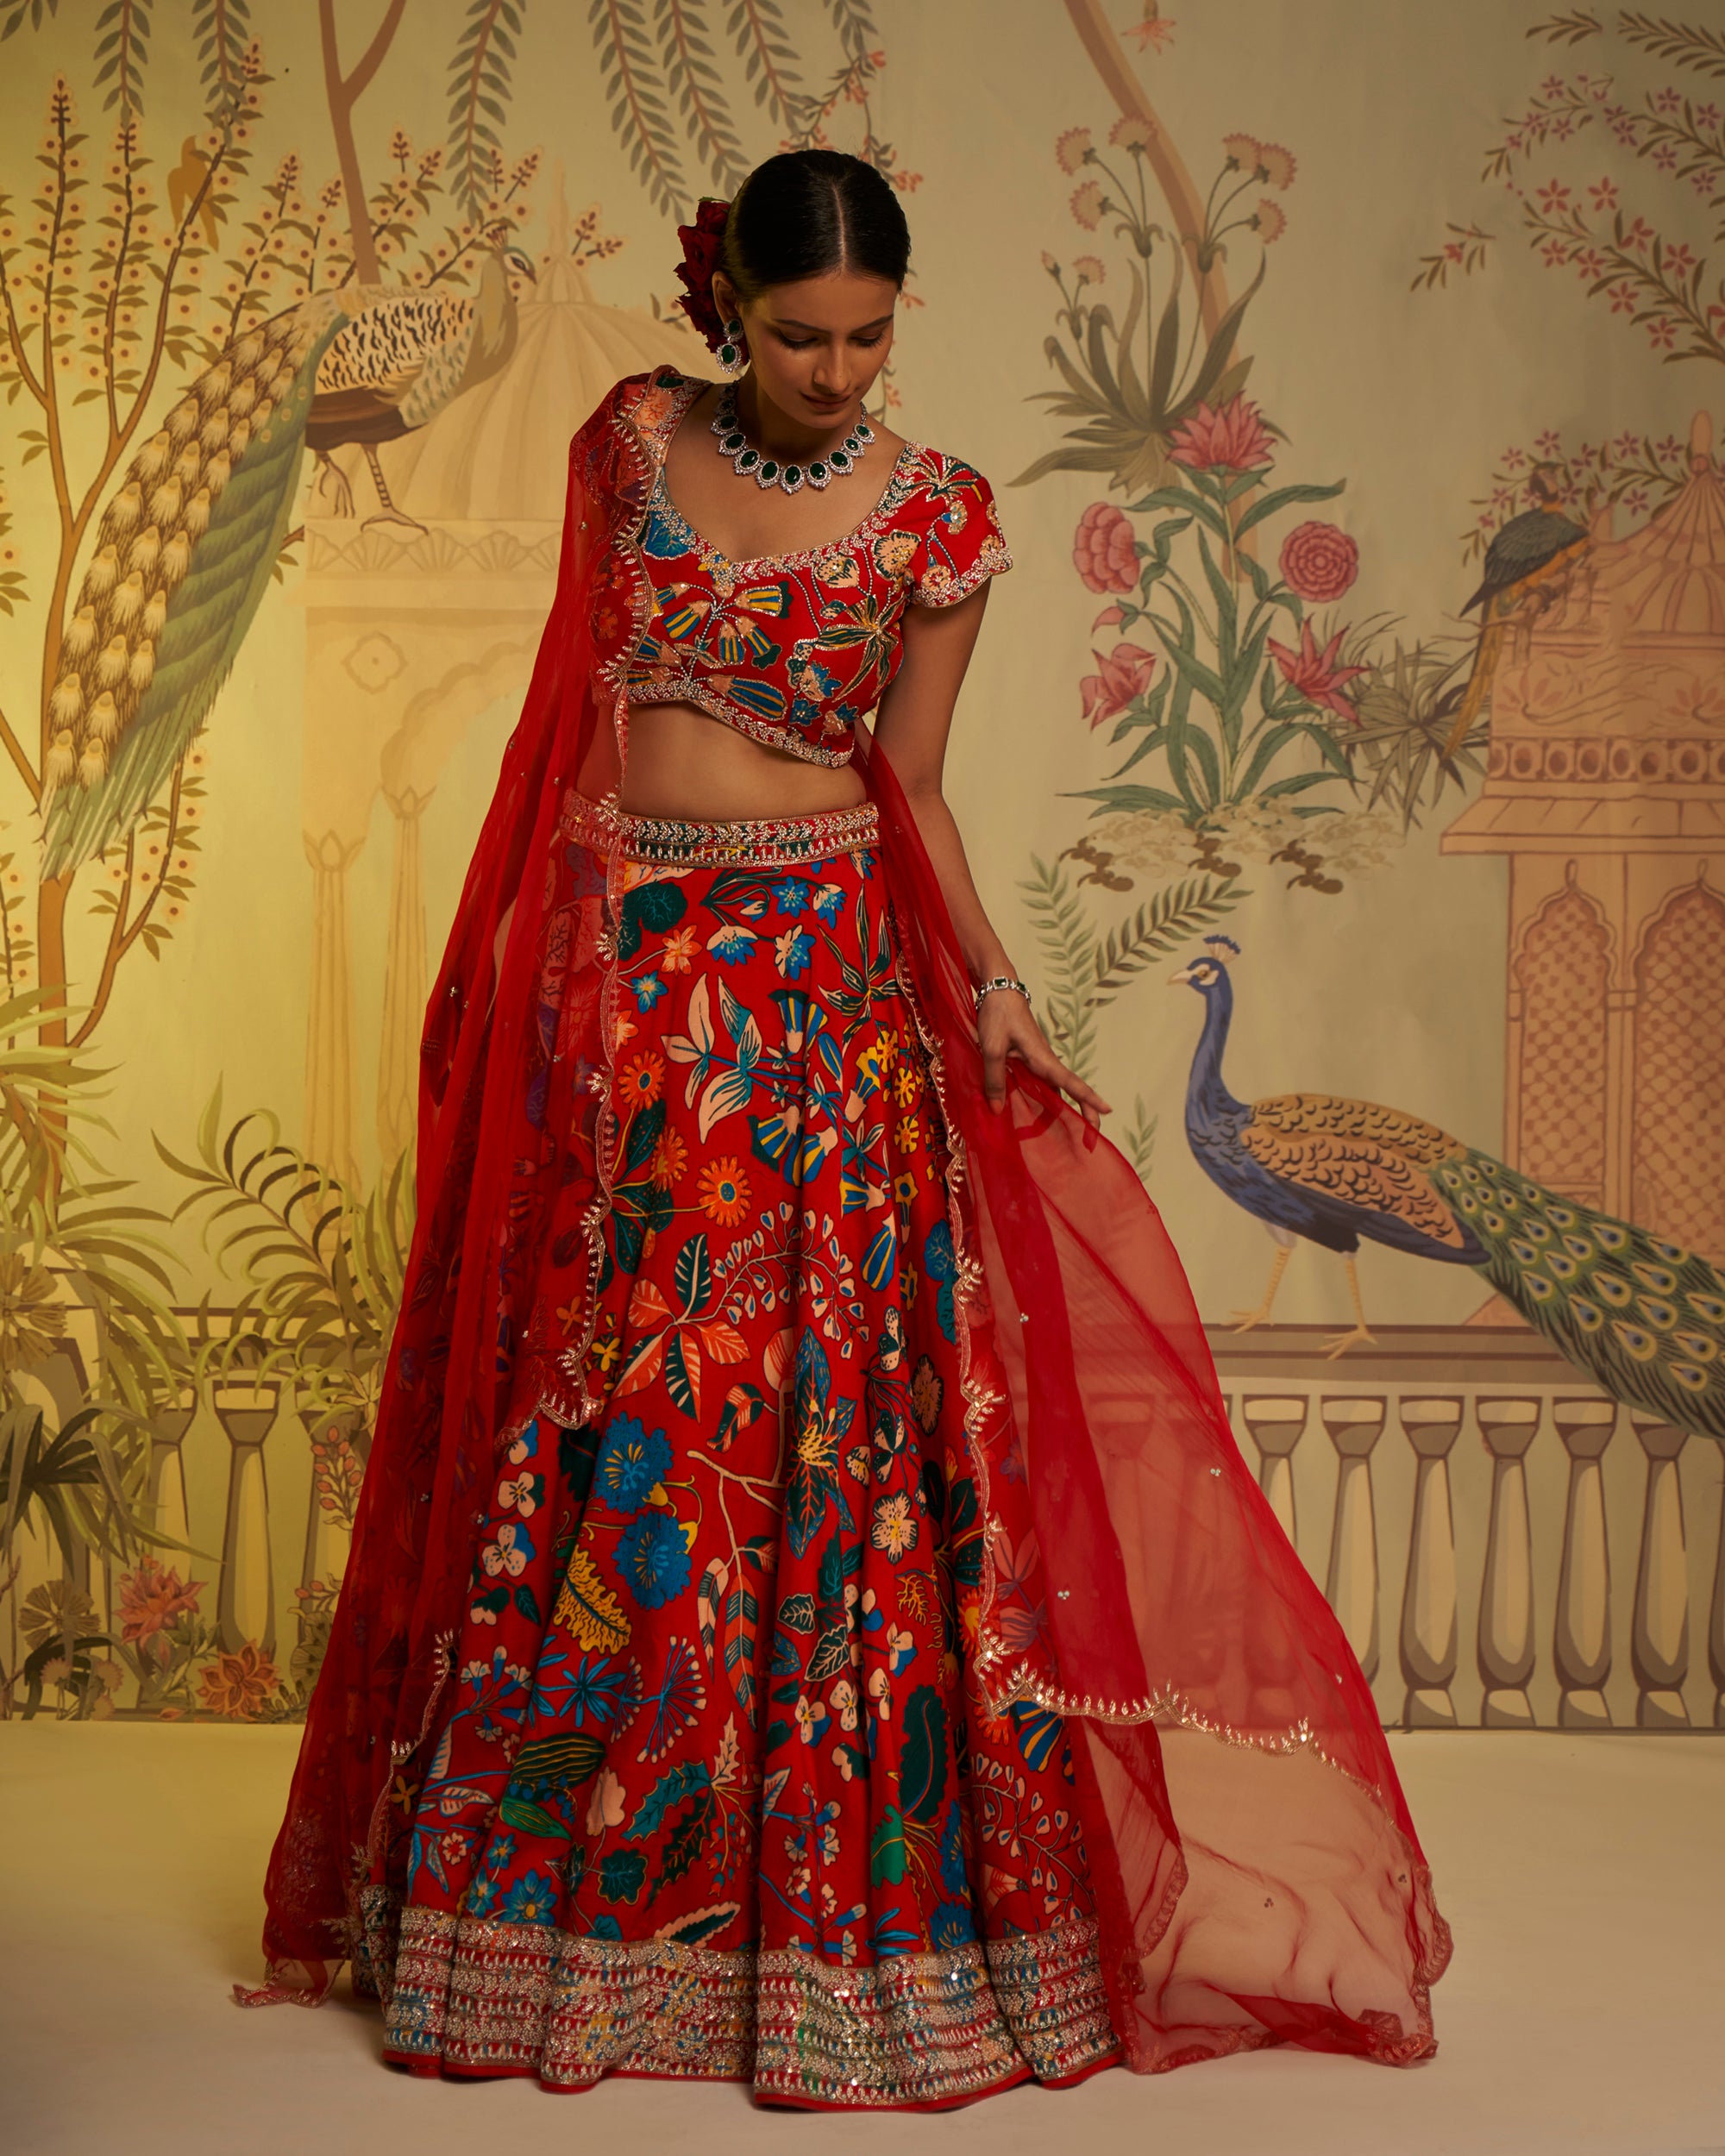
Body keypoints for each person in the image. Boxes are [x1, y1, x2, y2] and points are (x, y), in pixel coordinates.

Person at [237, 150, 1451, 2108]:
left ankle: (831, 1923)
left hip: (823, 998)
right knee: (623, 1417)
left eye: (868, 336)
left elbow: (915, 783)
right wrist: (539, 959)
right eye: (799, 335)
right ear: (730, 307)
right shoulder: (627, 446)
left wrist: (996, 984)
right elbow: (564, 719)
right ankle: (567, 1907)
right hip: (639, 984)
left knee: (823, 1436)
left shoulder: (937, 512)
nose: (834, 371)